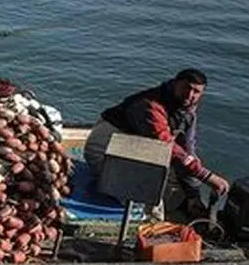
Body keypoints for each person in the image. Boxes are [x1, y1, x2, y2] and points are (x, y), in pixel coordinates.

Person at [84, 69, 231, 217]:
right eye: (186, 88)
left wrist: (194, 192)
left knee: (171, 177)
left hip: (133, 144)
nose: (189, 94)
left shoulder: (186, 109)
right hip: (105, 147)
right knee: (140, 199)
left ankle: (189, 203)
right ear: (175, 84)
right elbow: (166, 144)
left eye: (196, 92)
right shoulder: (151, 105)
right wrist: (207, 176)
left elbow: (187, 149)